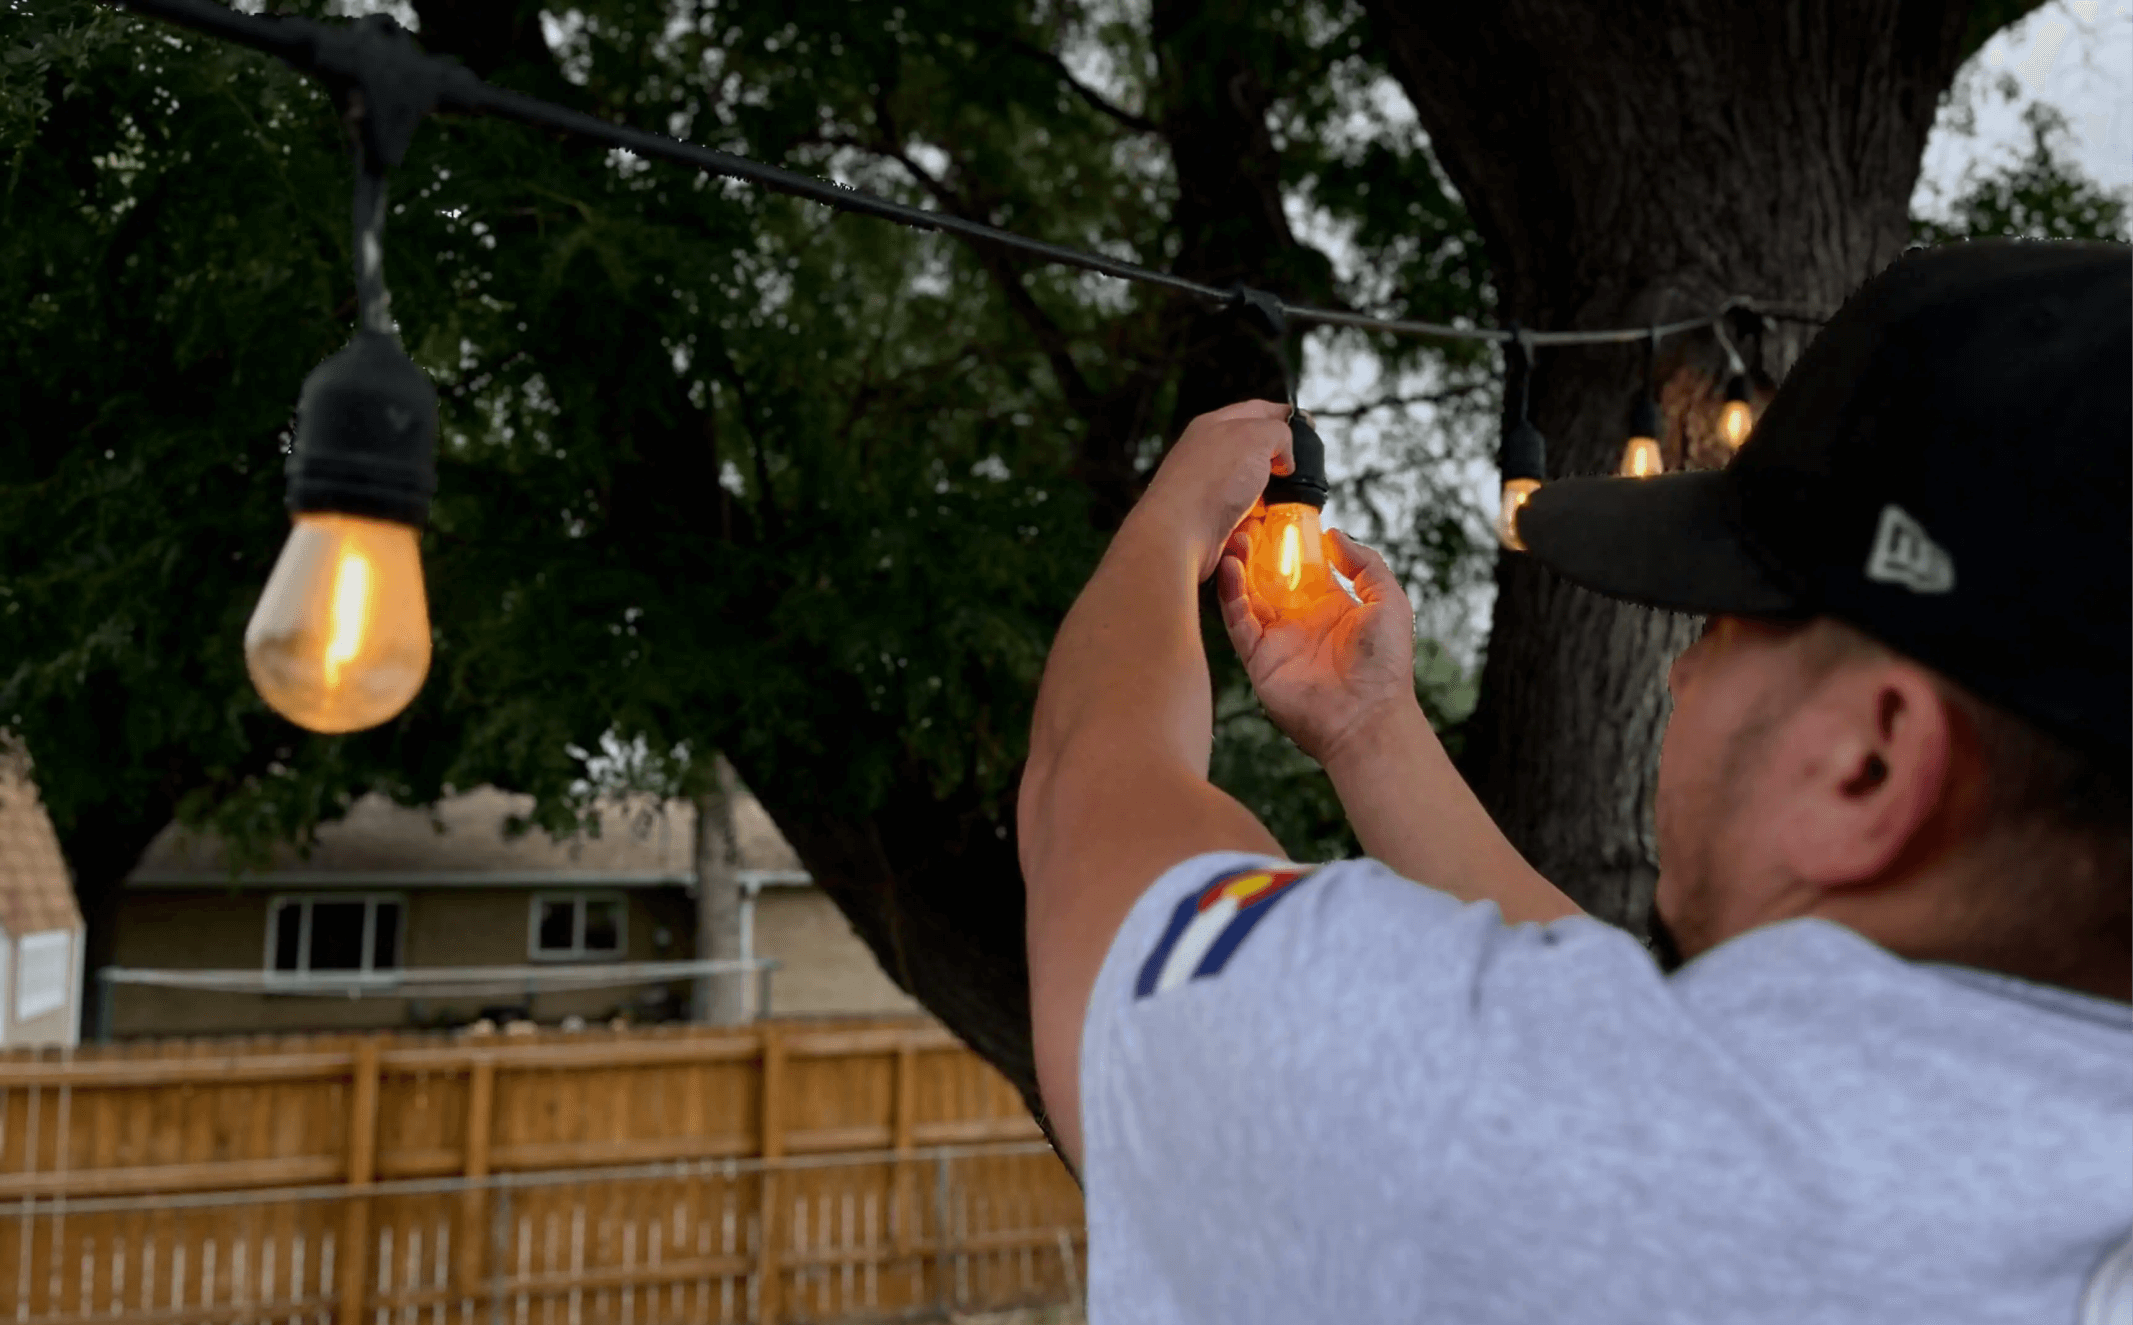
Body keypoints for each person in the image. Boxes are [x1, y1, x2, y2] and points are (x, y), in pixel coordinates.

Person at [1016, 239, 2131, 1324]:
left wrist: (1170, 525)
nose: (1685, 671)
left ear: (1871, 761)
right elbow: (1642, 1054)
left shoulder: (1526, 1149)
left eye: (1723, 628)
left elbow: (1087, 813)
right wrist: (1372, 731)